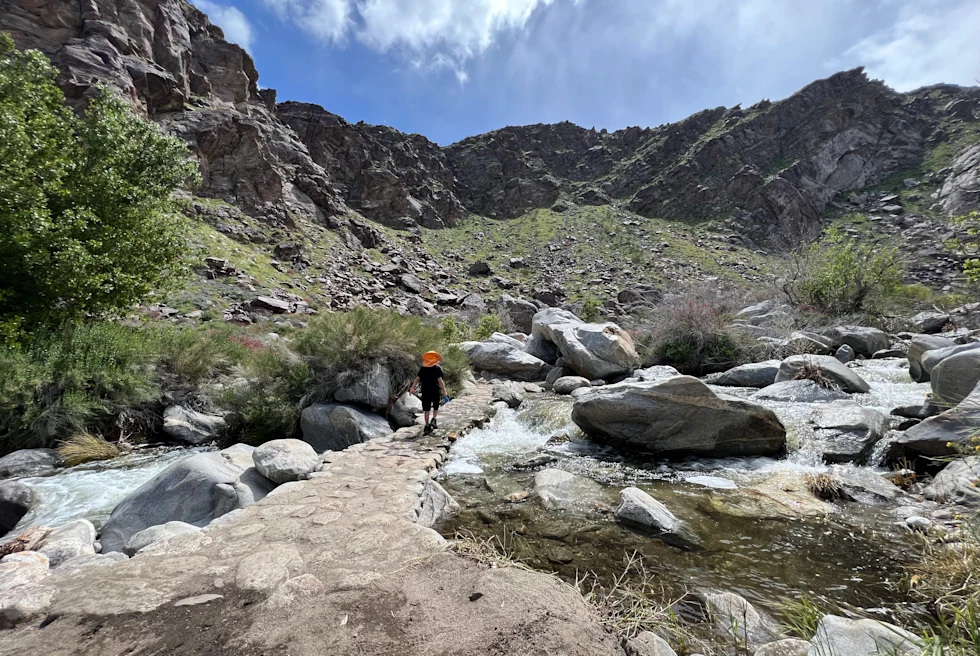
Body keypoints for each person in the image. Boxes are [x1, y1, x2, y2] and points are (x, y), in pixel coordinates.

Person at [409, 351, 449, 433]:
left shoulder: (423, 368)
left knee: (426, 408)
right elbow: (440, 381)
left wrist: (412, 388)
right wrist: (444, 391)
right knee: (436, 406)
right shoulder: (436, 369)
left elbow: (417, 378)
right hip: (435, 390)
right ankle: (434, 419)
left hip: (425, 390)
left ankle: (427, 425)